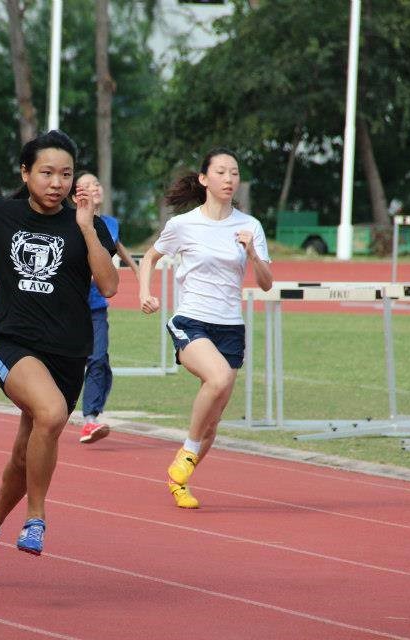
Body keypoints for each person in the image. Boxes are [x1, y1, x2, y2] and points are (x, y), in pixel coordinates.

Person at [0, 130, 118, 573]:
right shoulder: (2, 213)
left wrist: (84, 226)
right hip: (14, 344)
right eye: (46, 173)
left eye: (65, 173)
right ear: (25, 173)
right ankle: (36, 519)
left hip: (68, 355)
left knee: (24, 458)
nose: (57, 182)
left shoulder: (86, 223)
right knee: (53, 414)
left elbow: (110, 286)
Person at [138, 148, 273, 509]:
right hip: (192, 319)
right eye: (222, 172)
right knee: (218, 379)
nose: (229, 179)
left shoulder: (250, 226)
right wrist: (144, 292)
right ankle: (186, 453)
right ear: (204, 179)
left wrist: (253, 254)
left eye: (235, 173)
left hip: (230, 327)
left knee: (213, 422)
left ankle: (178, 481)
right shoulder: (183, 225)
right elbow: (150, 257)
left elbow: (265, 283)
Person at [71, 171, 140, 444]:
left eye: (96, 184)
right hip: (69, 305)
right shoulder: (70, 223)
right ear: (77, 195)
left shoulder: (110, 223)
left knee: (98, 359)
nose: (94, 188)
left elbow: (116, 246)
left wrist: (138, 270)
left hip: (97, 305)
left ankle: (90, 419)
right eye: (85, 186)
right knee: (69, 361)